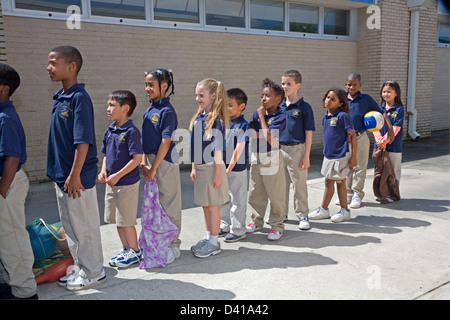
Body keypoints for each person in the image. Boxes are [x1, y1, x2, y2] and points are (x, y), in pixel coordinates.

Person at [46, 46, 105, 290]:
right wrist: (59, 174)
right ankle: (80, 267)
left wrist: (74, 175)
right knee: (70, 227)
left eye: (53, 63)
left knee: (85, 226)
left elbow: (83, 141)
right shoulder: (60, 97)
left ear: (71, 66)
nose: (48, 67)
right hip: (62, 176)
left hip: (77, 177)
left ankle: (94, 272)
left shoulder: (79, 98)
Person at [0, 63, 38, 300]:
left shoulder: (6, 118)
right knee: (6, 237)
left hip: (8, 182)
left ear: (3, 89)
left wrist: (3, 190)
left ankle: (25, 292)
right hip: (6, 183)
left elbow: (12, 157)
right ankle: (14, 282)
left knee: (12, 237)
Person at [140, 68, 182, 264]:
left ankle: (173, 245)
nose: (147, 88)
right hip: (150, 162)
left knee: (169, 204)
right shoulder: (150, 109)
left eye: (151, 85)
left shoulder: (167, 111)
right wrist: (143, 163)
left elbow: (165, 142)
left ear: (164, 86)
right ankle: (158, 241)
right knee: (155, 206)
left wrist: (154, 167)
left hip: (164, 162)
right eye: (146, 84)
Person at [98, 90, 143, 268]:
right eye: (108, 105)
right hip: (112, 183)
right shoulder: (110, 130)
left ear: (125, 108)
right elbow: (105, 156)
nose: (108, 109)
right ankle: (126, 249)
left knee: (126, 220)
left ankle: (135, 251)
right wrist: (103, 171)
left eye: (112, 105)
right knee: (117, 219)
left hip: (126, 185)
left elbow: (137, 159)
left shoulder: (131, 131)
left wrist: (117, 175)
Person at [189, 78, 229, 258]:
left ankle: (214, 242)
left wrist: (218, 174)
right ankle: (208, 237)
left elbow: (218, 149)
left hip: (213, 168)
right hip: (201, 168)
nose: (198, 98)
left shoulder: (216, 120)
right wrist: (194, 167)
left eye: (201, 95)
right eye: (196, 95)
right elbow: (194, 145)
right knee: (205, 206)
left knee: (213, 207)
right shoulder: (199, 117)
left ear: (213, 96)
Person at [344, 72, 393, 208]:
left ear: (360, 85)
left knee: (360, 166)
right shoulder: (341, 98)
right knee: (346, 166)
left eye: (354, 85)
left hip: (360, 137)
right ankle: (347, 193)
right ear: (345, 84)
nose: (351, 87)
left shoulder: (365, 99)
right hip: (344, 138)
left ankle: (357, 194)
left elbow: (381, 111)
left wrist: (389, 128)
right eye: (349, 84)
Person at [246, 78, 287, 241]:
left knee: (275, 194)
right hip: (256, 155)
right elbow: (248, 132)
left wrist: (262, 119)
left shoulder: (280, 116)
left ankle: (277, 226)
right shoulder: (257, 112)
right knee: (256, 192)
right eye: (262, 95)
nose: (263, 99)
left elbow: (270, 139)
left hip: (272, 157)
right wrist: (262, 134)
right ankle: (257, 221)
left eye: (267, 96)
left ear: (278, 99)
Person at [309, 88, 357, 223]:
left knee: (340, 182)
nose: (328, 101)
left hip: (340, 155)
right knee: (328, 181)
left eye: (332, 99)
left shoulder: (343, 116)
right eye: (327, 97)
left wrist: (353, 157)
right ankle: (324, 209)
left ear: (341, 103)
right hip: (329, 155)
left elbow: (352, 136)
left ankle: (344, 210)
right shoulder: (326, 116)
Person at [280, 70, 315, 230]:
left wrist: (306, 155)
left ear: (298, 85)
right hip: (280, 150)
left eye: (288, 83)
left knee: (299, 185)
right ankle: (281, 214)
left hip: (297, 150)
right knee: (280, 185)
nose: (285, 86)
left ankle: (303, 215)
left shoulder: (304, 108)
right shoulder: (279, 106)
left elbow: (309, 133)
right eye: (283, 83)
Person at [219, 88, 249, 242]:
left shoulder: (244, 125)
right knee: (224, 198)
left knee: (237, 200)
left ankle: (238, 229)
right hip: (223, 167)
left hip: (237, 169)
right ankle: (225, 224)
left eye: (230, 105)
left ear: (241, 106)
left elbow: (240, 147)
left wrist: (230, 166)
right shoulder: (224, 123)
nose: (227, 108)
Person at [373, 80, 404, 201]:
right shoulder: (378, 109)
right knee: (380, 169)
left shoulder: (399, 109)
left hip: (394, 146)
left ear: (396, 93)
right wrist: (379, 140)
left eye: (389, 92)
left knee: (394, 170)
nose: (386, 94)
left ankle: (393, 193)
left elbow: (396, 128)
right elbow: (374, 126)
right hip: (379, 145)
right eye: (384, 91)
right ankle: (382, 193)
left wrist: (384, 141)